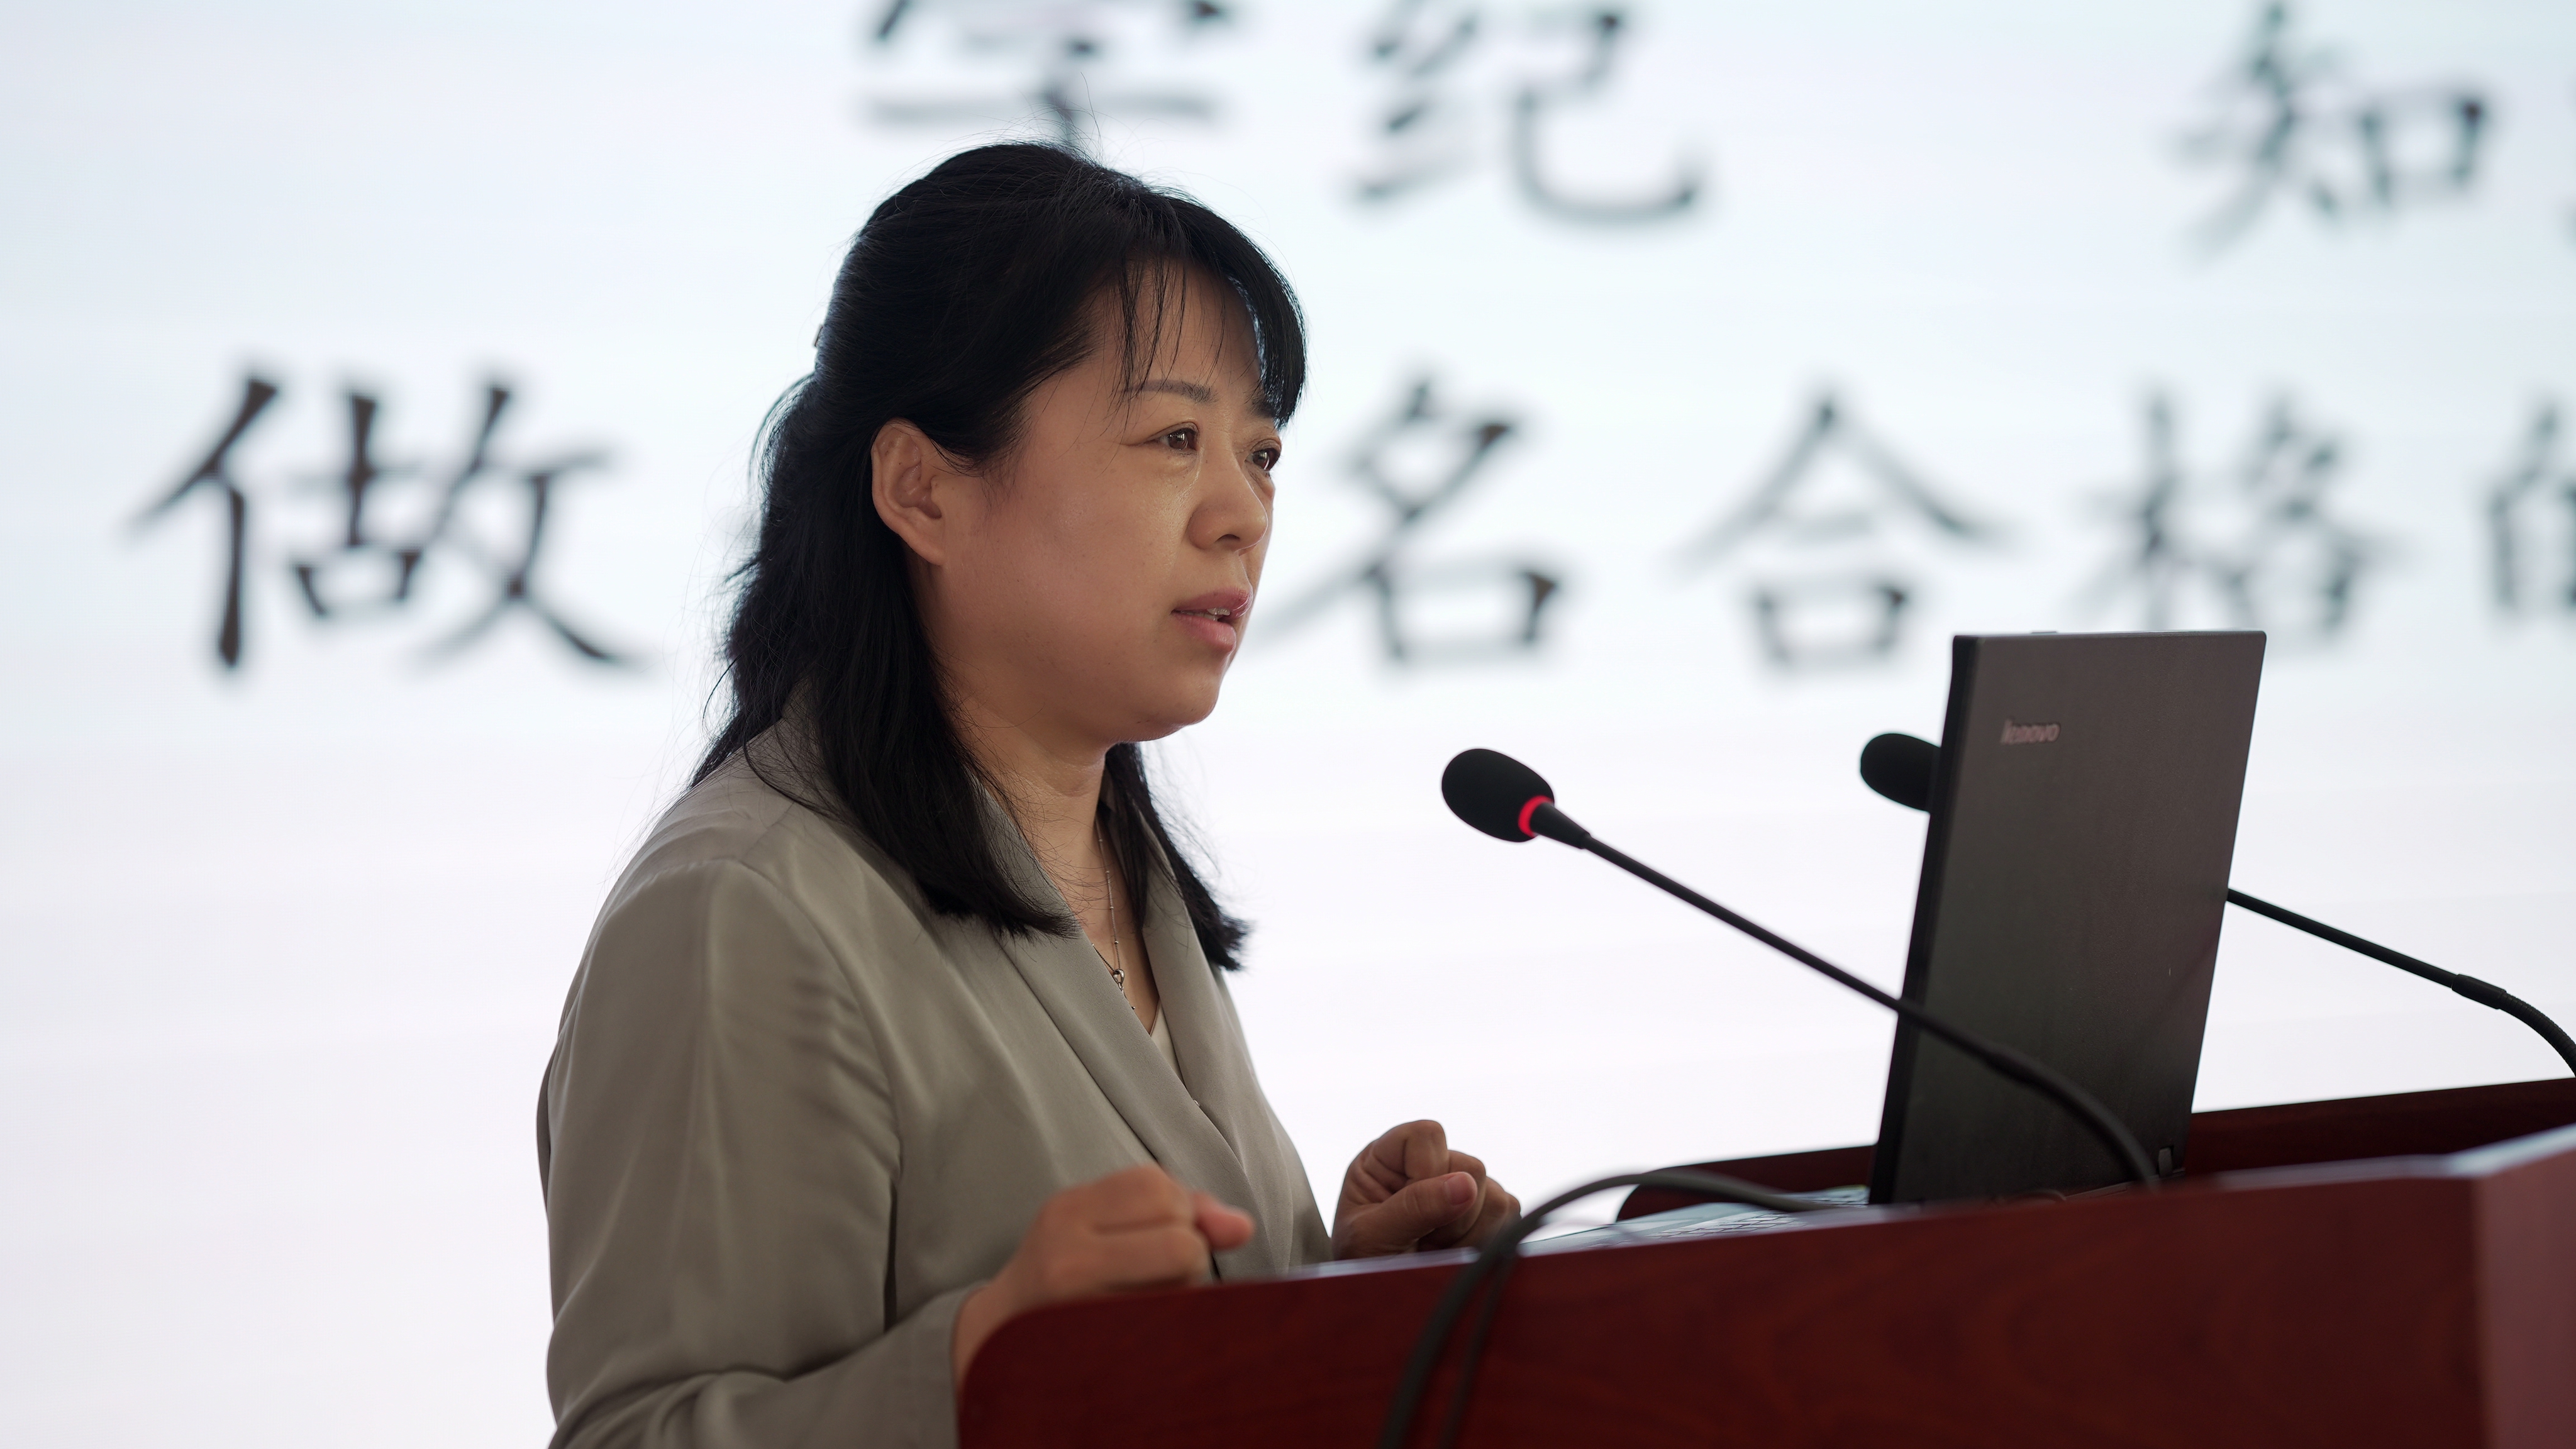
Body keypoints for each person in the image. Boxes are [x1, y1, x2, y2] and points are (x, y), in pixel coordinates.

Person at [536, 143, 1518, 1449]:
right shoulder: (742, 911)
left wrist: (1339, 1297)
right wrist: (983, 1357)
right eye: (1174, 438)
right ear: (923, 490)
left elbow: (1152, 1366)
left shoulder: (1115, 854)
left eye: (1262, 451)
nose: (1242, 513)